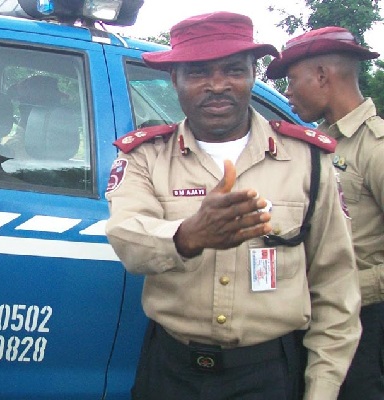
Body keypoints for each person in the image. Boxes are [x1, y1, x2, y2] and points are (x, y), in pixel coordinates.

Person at [104, 12, 361, 400]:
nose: (218, 85)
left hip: (269, 375)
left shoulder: (309, 159)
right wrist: (188, 235)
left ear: (254, 73)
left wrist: (321, 390)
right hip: (171, 372)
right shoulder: (144, 157)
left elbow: (336, 287)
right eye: (198, 73)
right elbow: (127, 238)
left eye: (233, 70)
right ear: (173, 79)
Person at [266, 26, 384, 400]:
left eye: (291, 80)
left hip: (364, 323)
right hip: (311, 314)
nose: (286, 92)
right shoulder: (317, 144)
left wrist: (347, 287)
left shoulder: (375, 148)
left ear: (322, 76)